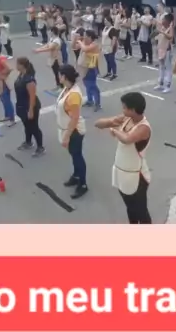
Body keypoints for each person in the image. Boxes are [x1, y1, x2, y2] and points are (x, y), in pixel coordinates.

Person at [95, 92, 152, 224]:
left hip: (136, 176)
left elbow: (127, 139)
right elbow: (98, 123)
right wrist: (111, 122)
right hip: (121, 172)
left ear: (133, 110)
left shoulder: (143, 127)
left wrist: (114, 130)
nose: (122, 110)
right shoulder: (126, 118)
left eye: (125, 107)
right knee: (130, 208)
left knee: (141, 211)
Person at [56, 65, 88, 198]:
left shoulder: (73, 95)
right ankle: (76, 176)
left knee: (77, 156)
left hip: (74, 131)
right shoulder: (67, 88)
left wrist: (66, 136)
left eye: (60, 75)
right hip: (67, 128)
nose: (58, 77)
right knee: (74, 155)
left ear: (64, 77)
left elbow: (74, 119)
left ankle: (83, 184)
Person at [13, 58, 44, 156]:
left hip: (29, 106)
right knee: (27, 126)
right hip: (22, 105)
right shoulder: (21, 75)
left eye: (17, 64)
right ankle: (28, 142)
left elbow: (32, 97)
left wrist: (31, 110)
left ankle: (40, 147)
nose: (16, 65)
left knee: (34, 127)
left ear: (22, 65)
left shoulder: (29, 80)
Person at [0, 43, 15, 126]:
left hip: (3, 84)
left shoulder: (1, 59)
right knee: (3, 101)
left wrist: (2, 75)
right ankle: (7, 116)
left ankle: (12, 119)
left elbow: (9, 68)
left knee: (7, 101)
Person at [78, 29, 102, 112]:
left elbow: (85, 49)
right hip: (84, 68)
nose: (83, 37)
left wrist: (80, 42)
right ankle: (90, 100)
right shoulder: (85, 43)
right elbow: (74, 47)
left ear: (90, 37)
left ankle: (97, 104)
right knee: (87, 85)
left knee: (92, 86)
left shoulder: (94, 45)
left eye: (85, 35)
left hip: (91, 68)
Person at [154, 12, 174, 93]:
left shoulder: (170, 28)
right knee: (161, 67)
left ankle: (168, 86)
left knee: (167, 68)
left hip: (167, 50)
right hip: (160, 49)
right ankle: (161, 84)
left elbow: (170, 37)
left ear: (168, 21)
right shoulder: (162, 27)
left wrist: (163, 32)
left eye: (163, 19)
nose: (162, 21)